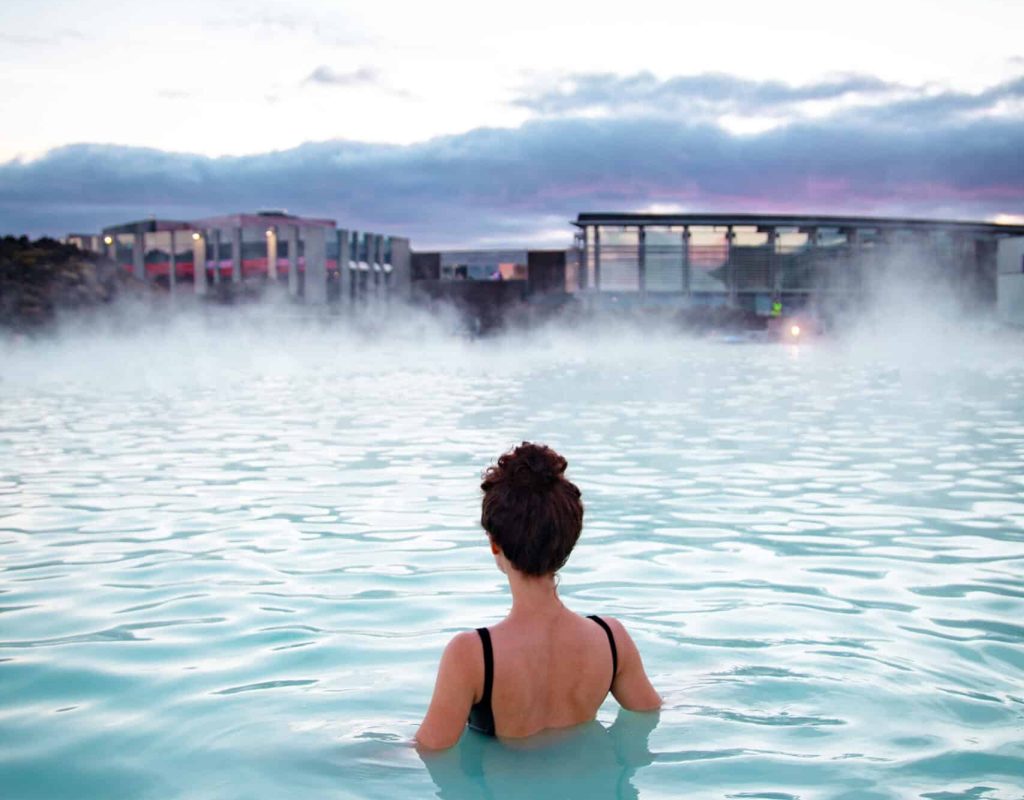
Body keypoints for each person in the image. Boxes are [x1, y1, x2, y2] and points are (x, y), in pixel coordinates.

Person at [416, 443, 661, 750]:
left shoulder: (471, 656)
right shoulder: (611, 639)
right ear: (569, 540)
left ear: (494, 544)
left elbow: (429, 752)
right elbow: (650, 712)